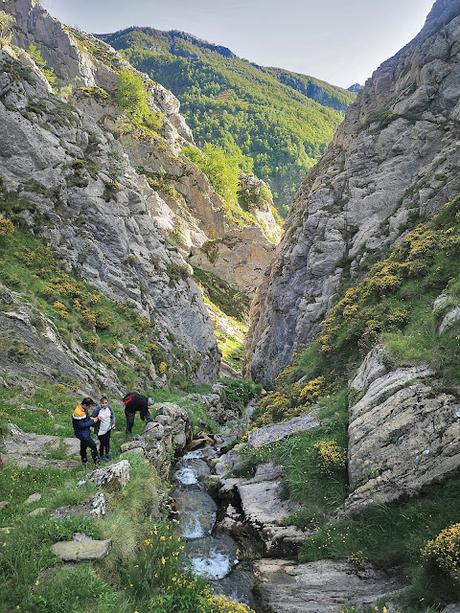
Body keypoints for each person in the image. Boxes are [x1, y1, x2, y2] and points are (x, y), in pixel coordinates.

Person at [72, 398, 100, 465]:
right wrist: (93, 421)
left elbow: (84, 419)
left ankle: (84, 461)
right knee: (93, 446)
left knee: (83, 446)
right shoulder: (78, 412)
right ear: (84, 404)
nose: (89, 408)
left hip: (84, 432)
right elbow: (81, 425)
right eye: (89, 406)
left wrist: (90, 418)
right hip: (82, 434)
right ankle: (97, 462)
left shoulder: (83, 408)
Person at [92, 396, 116, 460]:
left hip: (108, 428)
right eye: (103, 403)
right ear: (100, 403)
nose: (105, 404)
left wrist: (113, 423)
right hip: (100, 430)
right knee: (102, 443)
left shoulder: (109, 407)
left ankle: (107, 454)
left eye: (106, 403)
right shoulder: (97, 409)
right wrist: (97, 418)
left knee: (107, 442)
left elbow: (113, 415)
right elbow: (91, 418)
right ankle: (102, 456)